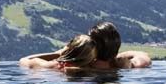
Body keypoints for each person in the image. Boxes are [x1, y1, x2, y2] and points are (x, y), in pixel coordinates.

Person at [18, 21, 151, 70]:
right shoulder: (124, 66)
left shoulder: (68, 67)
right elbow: (143, 55)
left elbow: (24, 60)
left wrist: (59, 54)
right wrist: (114, 56)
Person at [19, 34, 97, 71]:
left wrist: (57, 53)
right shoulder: (93, 69)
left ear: (69, 48)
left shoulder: (49, 65)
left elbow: (23, 60)